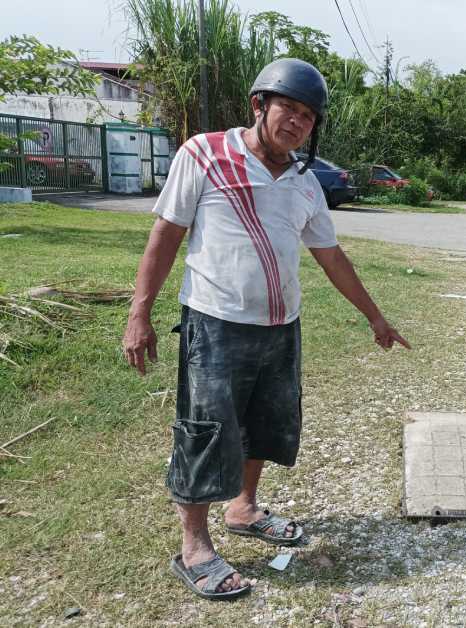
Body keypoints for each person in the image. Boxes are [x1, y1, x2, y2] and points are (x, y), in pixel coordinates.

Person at [121, 58, 411, 600]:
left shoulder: (304, 182)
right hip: (215, 325)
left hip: (281, 327)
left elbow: (331, 256)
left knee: (267, 423)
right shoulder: (205, 153)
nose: (297, 123)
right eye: (288, 109)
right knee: (205, 433)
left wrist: (374, 316)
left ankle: (244, 507)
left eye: (308, 116)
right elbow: (165, 235)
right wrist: (140, 314)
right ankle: (194, 546)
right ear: (259, 106)